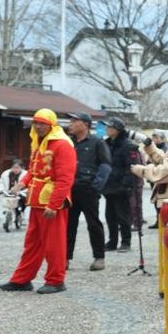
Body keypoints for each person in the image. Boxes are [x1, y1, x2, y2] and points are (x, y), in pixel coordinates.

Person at [0, 109, 77, 294]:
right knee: (32, 243)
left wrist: (54, 204)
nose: (38, 126)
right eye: (36, 123)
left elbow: (66, 178)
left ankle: (56, 280)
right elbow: (34, 172)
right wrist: (22, 184)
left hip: (52, 202)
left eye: (42, 123)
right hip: (36, 200)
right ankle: (22, 279)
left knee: (54, 245)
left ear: (51, 125)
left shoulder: (63, 145)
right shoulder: (38, 143)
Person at [65, 112, 111, 270]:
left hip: (88, 189)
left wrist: (95, 186)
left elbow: (105, 165)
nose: (71, 124)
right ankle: (65, 258)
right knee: (68, 224)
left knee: (93, 223)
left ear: (85, 124)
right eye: (70, 121)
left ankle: (99, 257)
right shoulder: (68, 142)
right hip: (70, 189)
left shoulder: (97, 142)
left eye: (74, 121)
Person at [102, 118, 135, 252]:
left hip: (121, 186)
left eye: (110, 127)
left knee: (123, 216)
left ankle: (126, 242)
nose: (108, 129)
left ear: (118, 130)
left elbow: (130, 166)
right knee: (110, 216)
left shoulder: (127, 145)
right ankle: (112, 241)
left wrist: (126, 184)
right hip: (108, 185)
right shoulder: (106, 143)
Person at [0, 158, 27, 228]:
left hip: (21, 193)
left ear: (22, 168)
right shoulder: (6, 174)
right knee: (7, 203)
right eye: (14, 168)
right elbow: (1, 183)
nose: (15, 169)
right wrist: (1, 190)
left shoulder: (25, 174)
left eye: (17, 168)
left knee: (21, 202)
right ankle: (8, 217)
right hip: (9, 192)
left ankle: (20, 214)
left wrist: (21, 191)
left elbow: (28, 185)